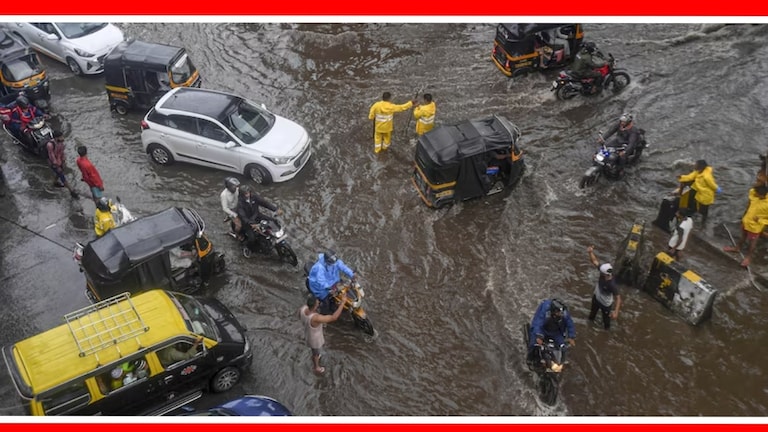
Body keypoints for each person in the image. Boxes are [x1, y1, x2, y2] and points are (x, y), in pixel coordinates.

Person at [299, 293, 347, 375]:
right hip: (315, 340)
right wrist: (342, 303)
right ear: (315, 306)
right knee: (316, 353)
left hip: (308, 334)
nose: (318, 302)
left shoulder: (303, 309)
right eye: (317, 302)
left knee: (315, 351)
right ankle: (316, 367)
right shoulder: (316, 318)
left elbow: (299, 315)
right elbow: (333, 317)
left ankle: (316, 357)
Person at [723, 185, 768, 267]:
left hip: (755, 227)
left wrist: (759, 220)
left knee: (752, 243)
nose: (754, 194)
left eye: (757, 193)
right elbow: (752, 192)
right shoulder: (755, 197)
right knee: (743, 236)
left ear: (761, 195)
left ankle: (748, 257)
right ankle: (737, 248)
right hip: (746, 222)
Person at [527, 298, 576, 366]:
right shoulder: (545, 312)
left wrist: (571, 337)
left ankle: (561, 362)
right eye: (558, 312)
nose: (561, 314)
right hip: (543, 330)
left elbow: (570, 324)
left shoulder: (564, 313)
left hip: (556, 333)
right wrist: (539, 336)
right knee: (534, 344)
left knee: (563, 346)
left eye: (561, 312)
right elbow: (538, 324)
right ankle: (530, 359)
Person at [235, 185, 282, 252]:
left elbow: (265, 203)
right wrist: (251, 223)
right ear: (242, 195)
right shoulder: (240, 204)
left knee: (273, 221)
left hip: (257, 216)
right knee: (252, 238)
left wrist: (275, 209)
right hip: (248, 222)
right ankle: (246, 247)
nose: (248, 194)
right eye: (246, 193)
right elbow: (243, 217)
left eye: (248, 192)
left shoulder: (254, 197)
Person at [307, 250, 355, 314]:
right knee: (326, 304)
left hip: (334, 281)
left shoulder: (335, 261)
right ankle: (324, 315)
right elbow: (322, 282)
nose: (335, 263)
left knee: (346, 290)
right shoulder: (319, 268)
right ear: (328, 261)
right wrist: (330, 288)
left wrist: (352, 275)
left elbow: (344, 267)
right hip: (320, 288)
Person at [587, 245, 622, 330]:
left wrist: (616, 312)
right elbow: (594, 261)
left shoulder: (612, 285)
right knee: (591, 316)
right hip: (596, 298)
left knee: (606, 322)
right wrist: (590, 252)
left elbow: (618, 298)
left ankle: (606, 331)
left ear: (605, 274)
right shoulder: (604, 272)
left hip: (605, 304)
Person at [677, 159, 720, 224]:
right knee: (697, 205)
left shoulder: (707, 176)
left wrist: (717, 189)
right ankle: (694, 215)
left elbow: (712, 184)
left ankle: (703, 222)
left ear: (700, 166)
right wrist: (682, 177)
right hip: (700, 192)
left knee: (704, 210)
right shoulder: (697, 172)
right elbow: (690, 177)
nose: (694, 165)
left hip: (706, 195)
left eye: (696, 164)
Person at [46, 131, 78, 199]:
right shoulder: (50, 145)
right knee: (62, 176)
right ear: (56, 138)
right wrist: (57, 166)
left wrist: (63, 162)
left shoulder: (61, 143)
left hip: (60, 161)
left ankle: (54, 182)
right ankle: (71, 191)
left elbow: (62, 153)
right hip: (53, 163)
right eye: (61, 137)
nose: (62, 138)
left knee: (60, 173)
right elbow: (51, 156)